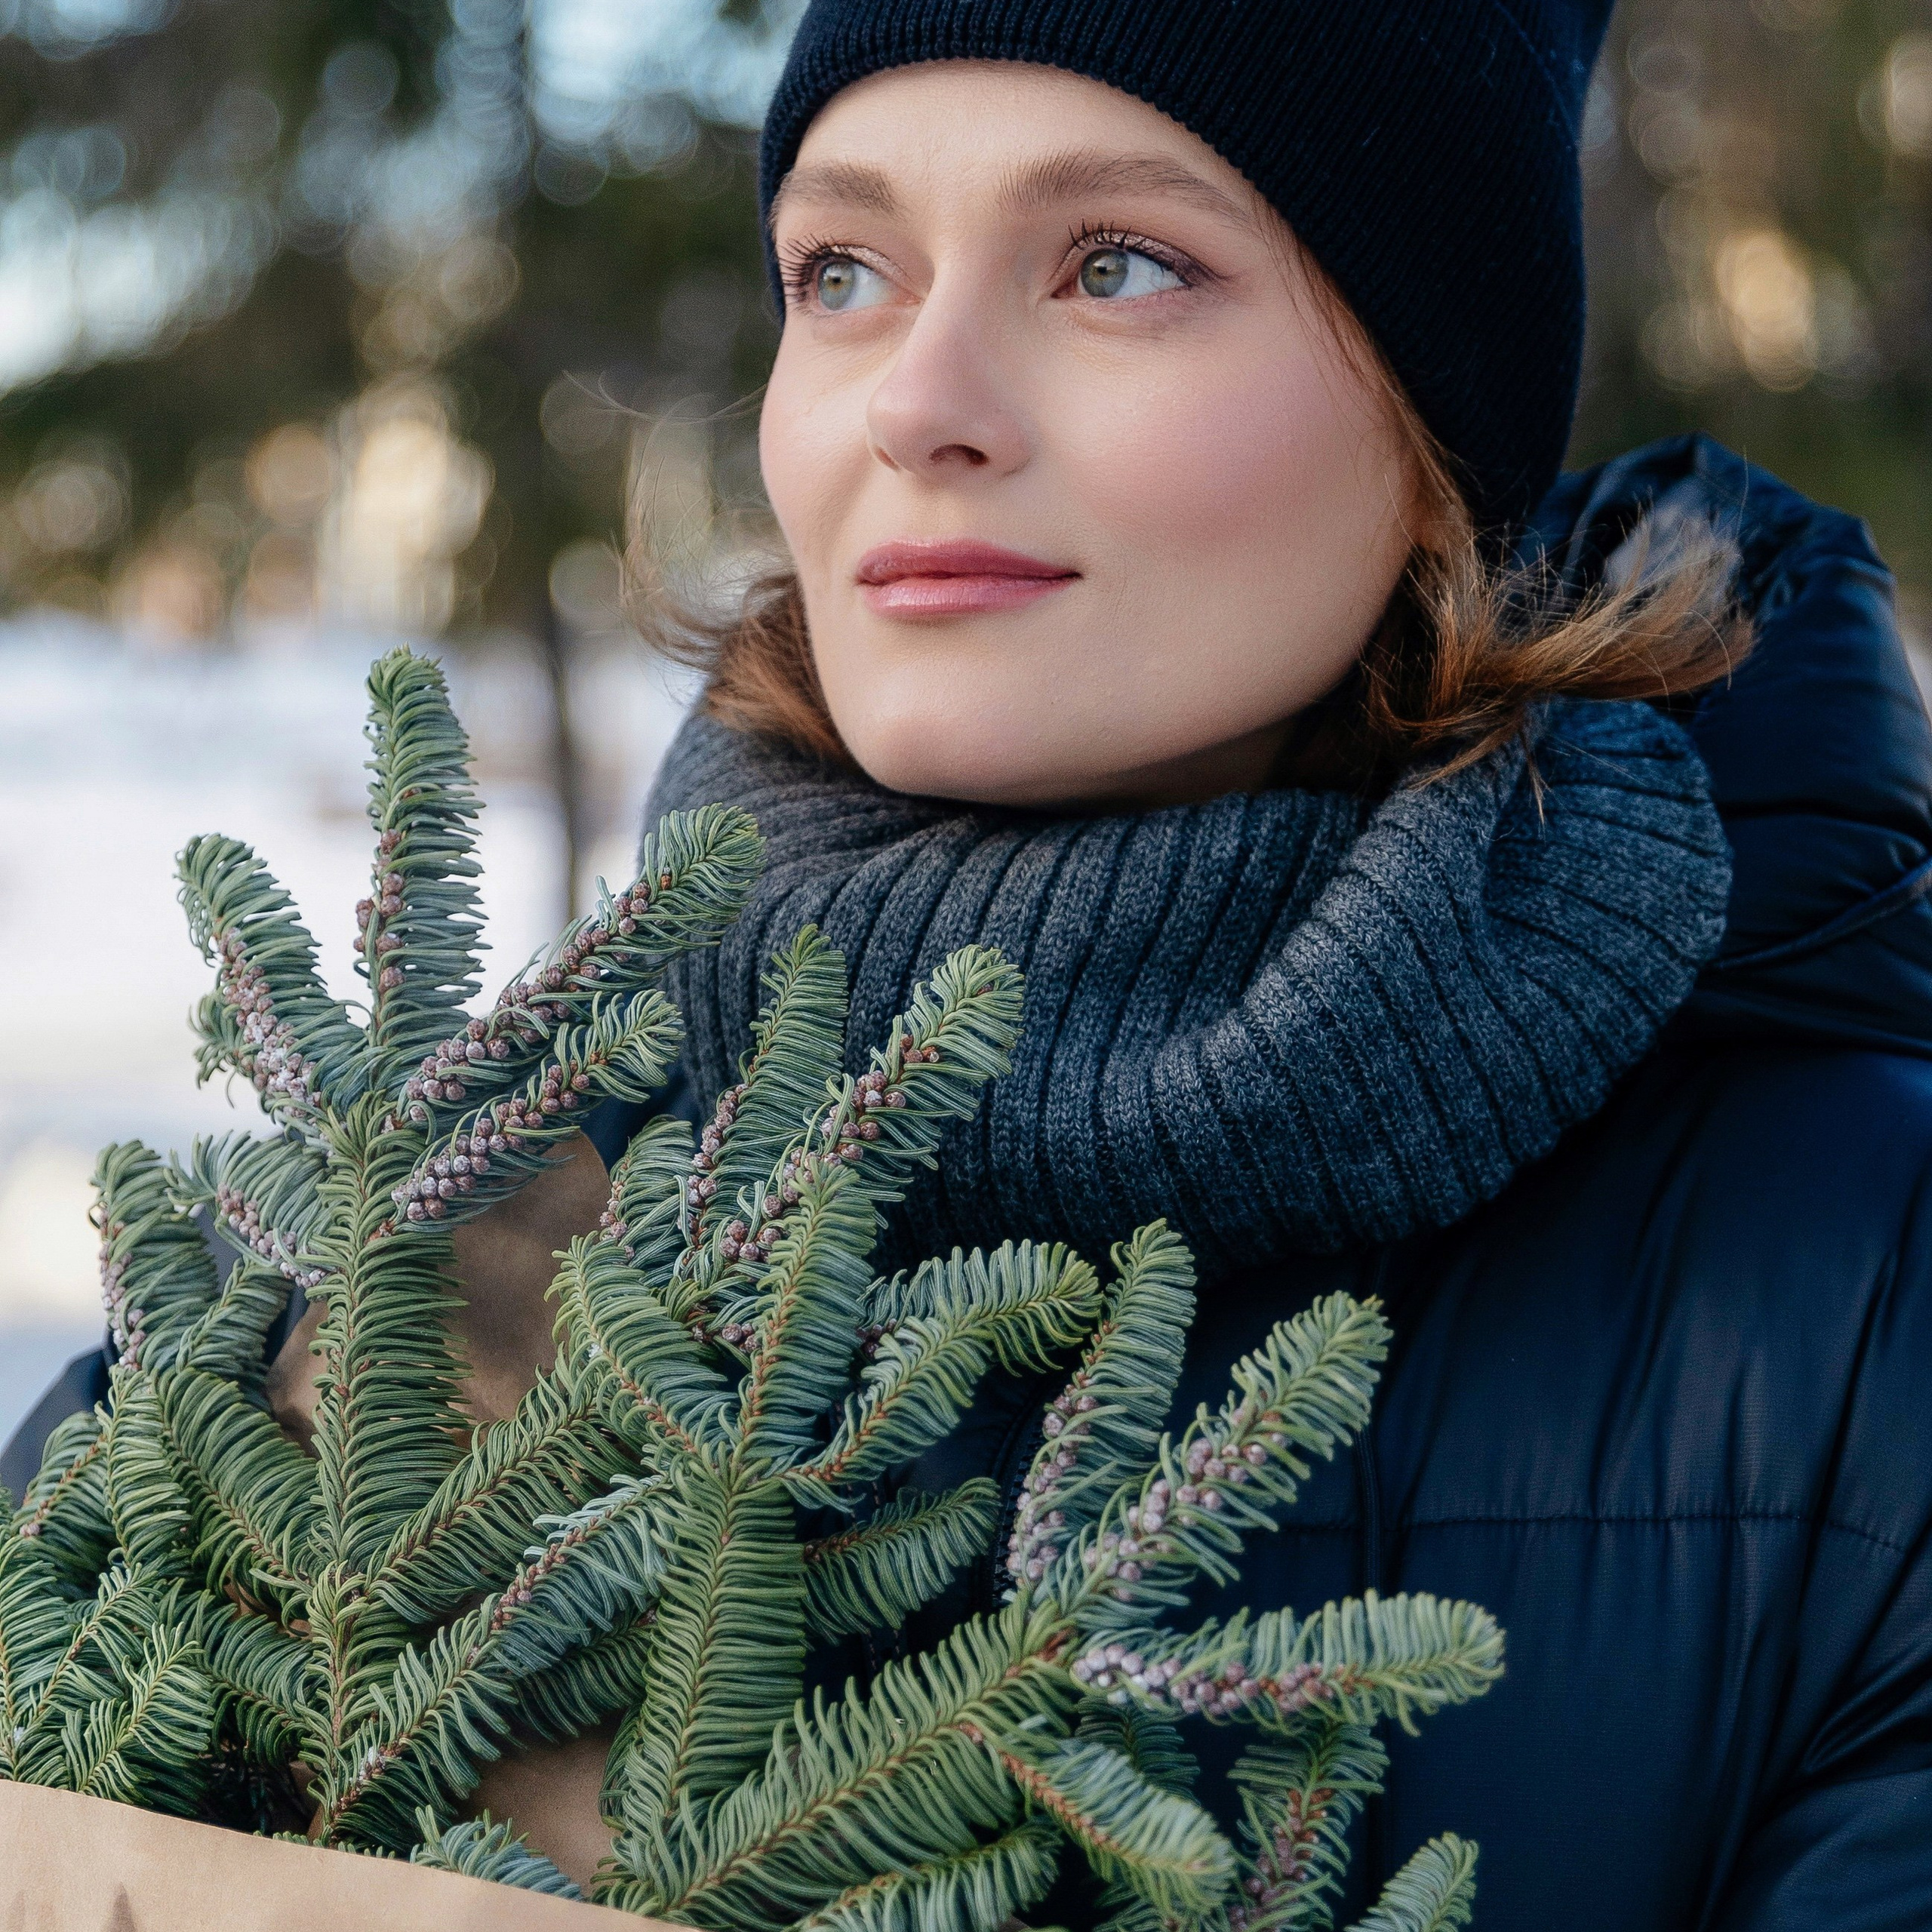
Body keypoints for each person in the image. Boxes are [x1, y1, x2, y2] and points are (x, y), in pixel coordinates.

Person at [632, 2, 1932, 1927]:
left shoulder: (1862, 1293)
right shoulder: (447, 1202)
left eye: (1119, 264)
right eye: (841, 271)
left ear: (1432, 418)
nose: (917, 400)